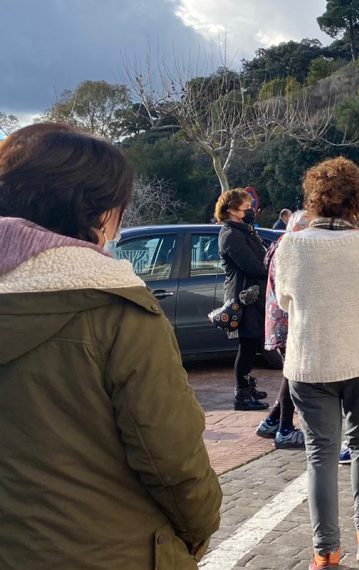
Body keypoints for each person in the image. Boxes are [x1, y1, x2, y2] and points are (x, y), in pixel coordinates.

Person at [0, 124, 222, 567]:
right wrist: (198, 532)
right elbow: (172, 461)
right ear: (99, 213)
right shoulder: (119, 309)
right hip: (113, 549)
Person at [275, 157, 359, 569]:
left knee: (319, 454)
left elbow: (283, 301)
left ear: (315, 198)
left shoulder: (292, 245)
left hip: (311, 360)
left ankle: (325, 552)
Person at [256, 209, 313, 449]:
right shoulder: (289, 249)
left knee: (291, 375)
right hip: (287, 321)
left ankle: (272, 422)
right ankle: (284, 429)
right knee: (293, 375)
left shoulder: (280, 245)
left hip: (279, 320)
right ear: (299, 229)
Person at [218, 189, 270, 411]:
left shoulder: (244, 230)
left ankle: (248, 386)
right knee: (247, 346)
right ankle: (241, 394)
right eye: (245, 208)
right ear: (231, 210)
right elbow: (253, 266)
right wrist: (271, 268)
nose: (250, 212)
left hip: (253, 297)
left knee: (252, 345)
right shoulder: (231, 234)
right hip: (244, 298)